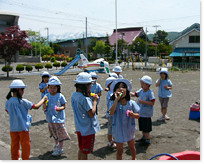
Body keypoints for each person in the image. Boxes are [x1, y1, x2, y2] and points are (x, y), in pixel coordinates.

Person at [5, 80, 47, 160]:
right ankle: (25, 159)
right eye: (22, 89)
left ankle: (14, 159)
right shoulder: (23, 102)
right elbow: (36, 106)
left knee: (14, 145)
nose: (23, 91)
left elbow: (7, 111)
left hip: (13, 128)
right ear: (18, 90)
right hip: (23, 128)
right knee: (25, 146)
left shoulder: (8, 102)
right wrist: (43, 99)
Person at [71, 72, 100, 160]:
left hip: (79, 127)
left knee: (81, 148)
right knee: (85, 151)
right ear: (86, 86)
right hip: (87, 129)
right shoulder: (85, 99)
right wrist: (94, 101)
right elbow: (91, 113)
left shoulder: (74, 95)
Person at [109, 79, 140, 160]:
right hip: (118, 130)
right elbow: (110, 113)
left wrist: (133, 114)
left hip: (129, 129)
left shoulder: (131, 103)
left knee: (132, 147)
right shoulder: (113, 102)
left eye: (123, 87)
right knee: (120, 150)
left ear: (127, 90)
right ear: (115, 92)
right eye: (118, 88)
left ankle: (134, 159)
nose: (121, 89)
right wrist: (116, 99)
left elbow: (138, 115)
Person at [43, 76, 71, 156]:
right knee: (54, 133)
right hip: (50, 118)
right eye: (50, 87)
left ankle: (60, 148)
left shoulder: (60, 96)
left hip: (58, 119)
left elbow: (64, 106)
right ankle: (57, 145)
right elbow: (44, 106)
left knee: (60, 134)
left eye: (54, 88)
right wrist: (44, 105)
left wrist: (59, 108)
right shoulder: (47, 96)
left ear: (58, 88)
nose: (52, 89)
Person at [130, 75, 155, 146]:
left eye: (142, 84)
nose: (141, 85)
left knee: (146, 128)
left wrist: (143, 102)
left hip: (146, 114)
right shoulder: (142, 90)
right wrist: (129, 92)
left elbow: (152, 102)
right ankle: (143, 137)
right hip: (141, 113)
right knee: (142, 127)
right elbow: (135, 94)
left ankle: (147, 139)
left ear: (147, 85)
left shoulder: (150, 93)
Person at [105, 77, 117, 148]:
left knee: (113, 127)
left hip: (113, 114)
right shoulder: (111, 94)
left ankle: (113, 140)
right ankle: (110, 141)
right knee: (111, 129)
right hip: (111, 114)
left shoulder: (111, 93)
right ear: (109, 85)